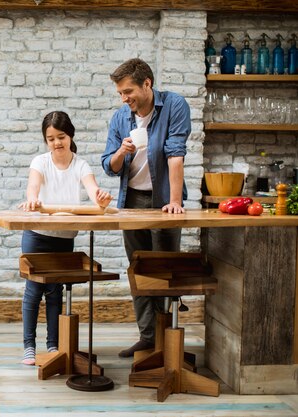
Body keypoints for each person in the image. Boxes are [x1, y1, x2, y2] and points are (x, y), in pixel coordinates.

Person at [100, 58, 190, 358]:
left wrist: (175, 202)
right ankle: (148, 337)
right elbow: (109, 167)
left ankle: (168, 341)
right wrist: (120, 152)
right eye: (121, 94)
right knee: (138, 270)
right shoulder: (120, 118)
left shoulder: (175, 106)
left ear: (147, 84)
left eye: (128, 92)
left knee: (164, 271)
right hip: (132, 202)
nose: (125, 99)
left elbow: (175, 155)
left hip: (164, 199)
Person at [18, 111, 112, 365]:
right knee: (34, 290)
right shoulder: (40, 162)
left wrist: (100, 198)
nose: (57, 143)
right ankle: (29, 345)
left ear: (70, 135)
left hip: (64, 237)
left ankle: (52, 345)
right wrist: (32, 199)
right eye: (51, 139)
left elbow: (92, 189)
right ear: (46, 141)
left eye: (61, 137)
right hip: (37, 236)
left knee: (55, 291)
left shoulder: (80, 165)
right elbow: (33, 187)